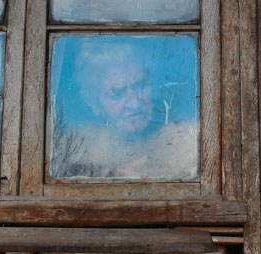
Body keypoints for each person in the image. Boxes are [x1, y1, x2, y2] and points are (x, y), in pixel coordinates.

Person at [50, 38, 198, 180]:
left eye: (141, 85)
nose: (135, 103)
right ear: (93, 103)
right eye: (116, 93)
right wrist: (110, 177)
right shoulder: (73, 147)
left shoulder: (188, 138)